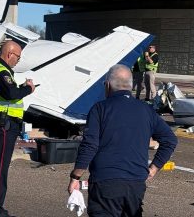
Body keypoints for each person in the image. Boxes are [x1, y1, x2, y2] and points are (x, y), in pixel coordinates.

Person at [67, 64, 177, 217]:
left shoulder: (100, 109)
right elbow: (170, 140)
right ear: (131, 86)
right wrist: (153, 168)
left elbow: (90, 145)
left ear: (107, 85)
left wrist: (76, 176)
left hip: (105, 182)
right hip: (136, 184)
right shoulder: (146, 110)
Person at [0, 40, 35, 217]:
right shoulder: (0, 71)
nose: (18, 60)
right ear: (9, 54)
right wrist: (27, 89)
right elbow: (10, 94)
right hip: (3, 124)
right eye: (17, 56)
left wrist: (19, 88)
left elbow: (7, 92)